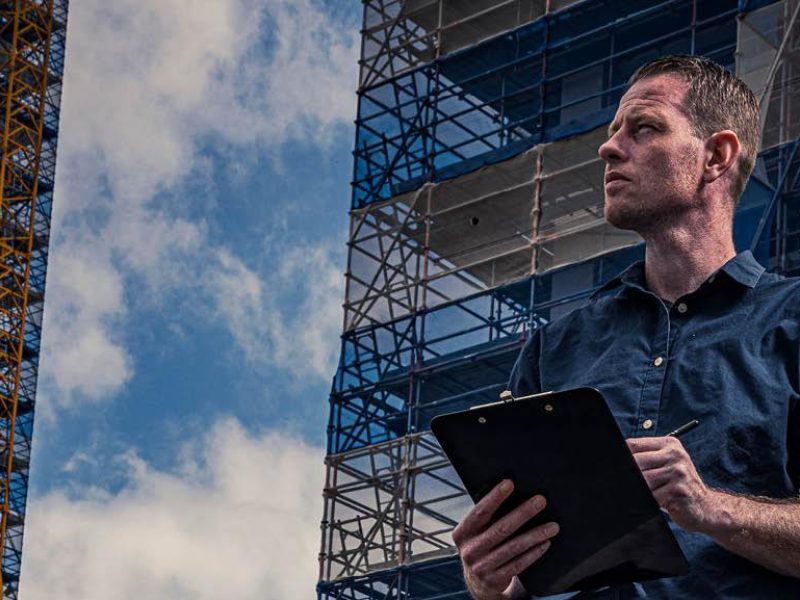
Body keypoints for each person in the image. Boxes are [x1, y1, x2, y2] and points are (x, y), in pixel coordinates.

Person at [452, 55, 800, 599]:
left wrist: (712, 509)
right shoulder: (556, 346)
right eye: (615, 131)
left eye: (644, 128)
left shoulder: (792, 323)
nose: (609, 148)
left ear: (716, 155)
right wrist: (487, 579)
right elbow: (526, 579)